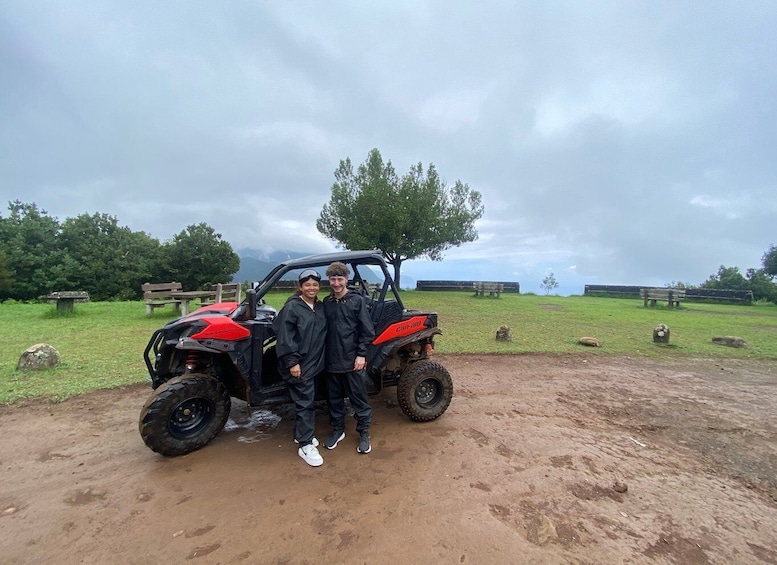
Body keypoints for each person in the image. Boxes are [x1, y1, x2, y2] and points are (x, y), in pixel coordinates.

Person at [272, 269, 327, 467]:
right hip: (300, 363)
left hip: (316, 362)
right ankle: (305, 444)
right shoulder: (293, 307)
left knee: (308, 398)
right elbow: (285, 337)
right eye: (307, 285)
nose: (312, 288)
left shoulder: (319, 306)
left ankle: (301, 435)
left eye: (315, 284)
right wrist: (292, 362)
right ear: (301, 286)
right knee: (305, 402)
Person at [322, 261, 376, 454]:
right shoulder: (326, 303)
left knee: (358, 398)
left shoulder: (357, 301)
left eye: (339, 279)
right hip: (331, 360)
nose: (336, 283)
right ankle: (338, 429)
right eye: (332, 279)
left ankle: (363, 432)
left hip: (353, 360)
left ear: (346, 279)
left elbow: (367, 330)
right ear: (329, 280)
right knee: (334, 399)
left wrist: (361, 354)